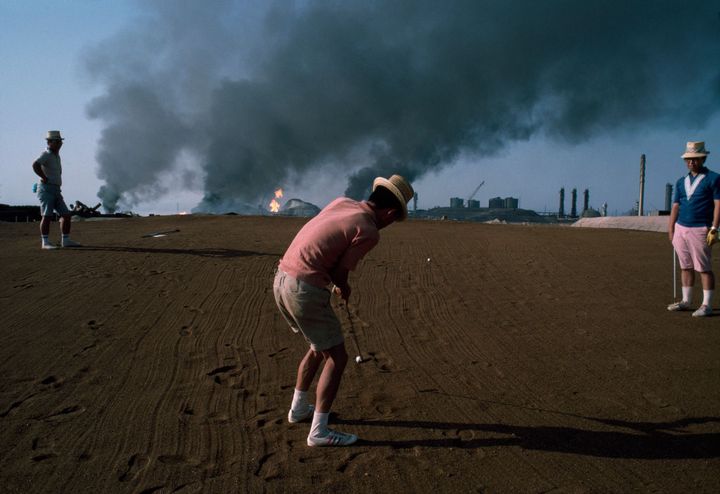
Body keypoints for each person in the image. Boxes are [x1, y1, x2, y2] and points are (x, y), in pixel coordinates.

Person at [273, 174, 413, 446]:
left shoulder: (342, 202)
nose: (390, 225)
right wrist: (343, 287)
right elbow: (339, 271)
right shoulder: (370, 231)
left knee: (317, 346)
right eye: (394, 220)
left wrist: (334, 283)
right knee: (337, 357)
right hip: (304, 288)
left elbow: (325, 246)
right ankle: (319, 432)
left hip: (281, 280)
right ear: (391, 212)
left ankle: (299, 409)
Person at [667, 141, 720, 317]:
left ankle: (706, 305)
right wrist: (671, 228)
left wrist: (714, 228)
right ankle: (686, 301)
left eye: (695, 159)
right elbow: (675, 206)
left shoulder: (714, 178)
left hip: (700, 228)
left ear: (703, 158)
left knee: (703, 267)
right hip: (681, 227)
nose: (691, 162)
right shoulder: (681, 182)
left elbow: (718, 204)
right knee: (686, 266)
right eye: (688, 159)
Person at [32, 130, 81, 249]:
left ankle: (66, 240)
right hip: (46, 189)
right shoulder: (46, 154)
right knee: (47, 216)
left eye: (60, 141)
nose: (60, 144)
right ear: (49, 142)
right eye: (57, 141)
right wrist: (44, 177)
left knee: (66, 215)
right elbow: (35, 164)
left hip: (56, 189)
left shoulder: (55, 155)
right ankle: (45, 242)